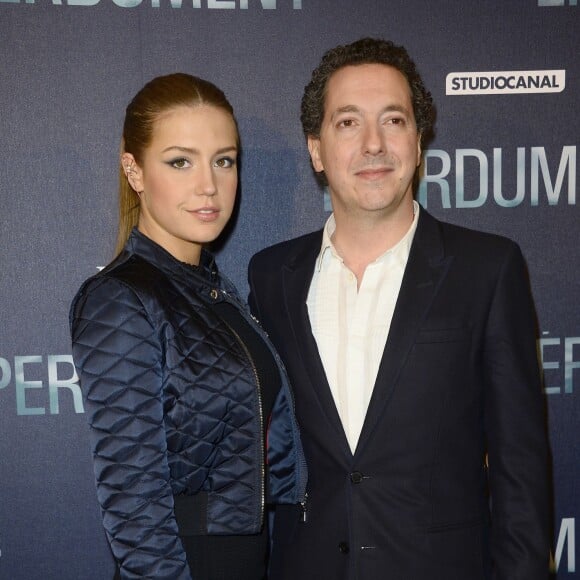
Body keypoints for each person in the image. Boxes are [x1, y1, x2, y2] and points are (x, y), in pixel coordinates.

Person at [248, 38, 550, 579]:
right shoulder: (271, 278)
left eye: (393, 120)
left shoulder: (487, 269)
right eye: (347, 123)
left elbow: (520, 470)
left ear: (417, 140)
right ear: (316, 150)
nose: (373, 144)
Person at [70, 73, 307, 580]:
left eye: (224, 160)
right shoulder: (121, 299)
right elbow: (134, 504)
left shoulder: (213, 291)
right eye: (180, 161)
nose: (209, 185)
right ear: (133, 170)